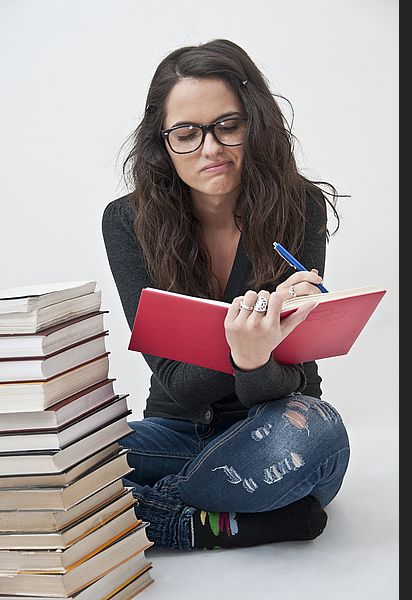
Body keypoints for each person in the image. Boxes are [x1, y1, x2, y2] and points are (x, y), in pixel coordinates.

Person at [102, 39, 350, 551]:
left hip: (276, 431)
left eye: (227, 126)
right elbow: (179, 385)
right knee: (54, 464)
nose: (210, 149)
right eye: (186, 134)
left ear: (254, 125)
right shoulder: (127, 221)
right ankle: (222, 517)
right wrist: (247, 349)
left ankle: (143, 510)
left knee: (317, 438)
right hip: (177, 432)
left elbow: (290, 383)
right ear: (162, 143)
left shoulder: (299, 206)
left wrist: (257, 363)